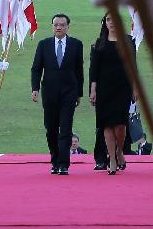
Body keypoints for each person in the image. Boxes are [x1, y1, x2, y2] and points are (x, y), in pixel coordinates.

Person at [31, 13, 83, 175]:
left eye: (62, 24)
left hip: (69, 92)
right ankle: (55, 160)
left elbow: (79, 70)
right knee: (51, 129)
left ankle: (64, 164)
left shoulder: (76, 44)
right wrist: (35, 89)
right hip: (49, 92)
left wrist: (79, 93)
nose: (59, 27)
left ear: (68, 26)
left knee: (66, 129)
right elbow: (36, 68)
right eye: (56, 24)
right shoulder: (44, 44)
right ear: (52, 26)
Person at [89, 12, 136, 174]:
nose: (111, 23)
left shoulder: (129, 41)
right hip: (104, 88)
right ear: (105, 23)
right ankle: (112, 158)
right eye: (108, 20)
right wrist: (93, 89)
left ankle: (119, 151)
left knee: (121, 125)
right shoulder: (99, 43)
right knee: (106, 124)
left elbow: (133, 66)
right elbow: (94, 69)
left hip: (123, 87)